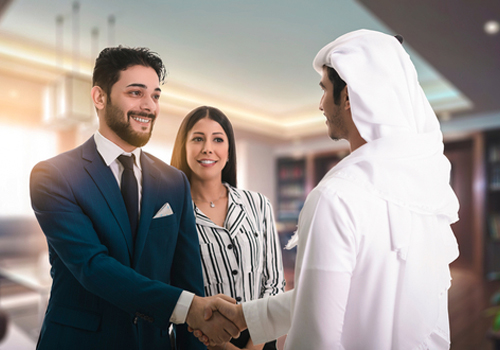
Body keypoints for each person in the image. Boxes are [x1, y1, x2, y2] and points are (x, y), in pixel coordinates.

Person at [196, 29, 461, 349]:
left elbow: (315, 337)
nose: (321, 104)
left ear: (348, 96)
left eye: (324, 90)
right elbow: (340, 292)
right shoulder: (425, 192)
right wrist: (245, 316)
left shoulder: (336, 197)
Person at [30, 46, 239, 350]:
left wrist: (195, 324)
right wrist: (187, 307)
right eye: (136, 93)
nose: (149, 106)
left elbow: (187, 277)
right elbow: (93, 266)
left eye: (155, 95)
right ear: (99, 98)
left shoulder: (174, 181)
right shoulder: (54, 175)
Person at [171, 106, 286, 350]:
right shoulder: (173, 216)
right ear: (184, 146)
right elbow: (177, 293)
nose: (207, 148)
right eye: (198, 139)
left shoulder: (258, 204)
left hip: (262, 340)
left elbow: (274, 283)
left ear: (229, 150)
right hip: (204, 343)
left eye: (218, 139)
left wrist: (256, 345)